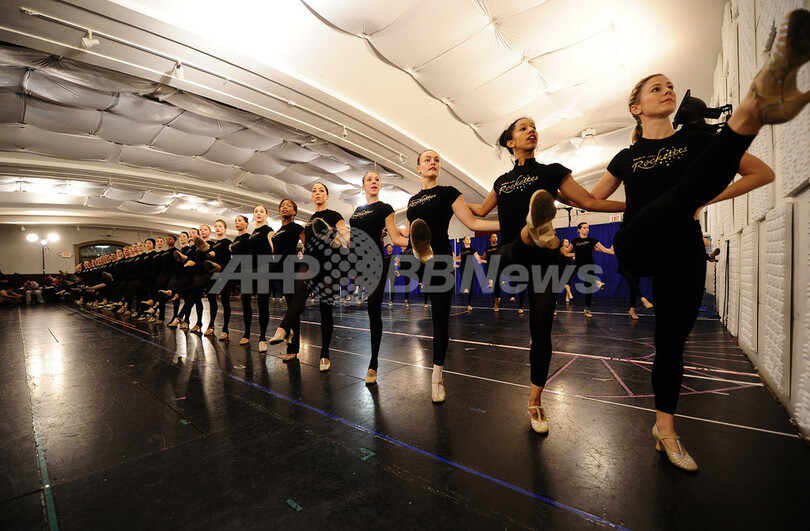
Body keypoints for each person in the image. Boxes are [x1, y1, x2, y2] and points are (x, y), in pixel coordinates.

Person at [588, 8, 809, 470]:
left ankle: (664, 428)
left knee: (672, 341)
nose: (668, 90)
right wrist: (633, 209)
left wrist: (705, 200)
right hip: (638, 241)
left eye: (670, 86)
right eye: (656, 87)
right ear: (636, 107)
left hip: (683, 247)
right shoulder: (626, 157)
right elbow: (593, 201)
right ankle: (752, 110)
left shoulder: (696, 139)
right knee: (673, 198)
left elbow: (761, 173)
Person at [468, 117, 624, 433]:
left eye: (533, 127)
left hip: (546, 263)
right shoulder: (501, 182)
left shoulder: (551, 172)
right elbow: (480, 212)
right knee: (509, 250)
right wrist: (451, 203)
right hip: (514, 255)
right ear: (510, 141)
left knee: (541, 332)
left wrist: (635, 207)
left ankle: (535, 401)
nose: (531, 130)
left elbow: (590, 201)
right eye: (523, 128)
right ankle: (531, 231)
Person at [406, 150, 501, 403]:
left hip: (441, 259)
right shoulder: (412, 201)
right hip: (416, 254)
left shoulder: (448, 192)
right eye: (427, 159)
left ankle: (437, 376)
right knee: (407, 256)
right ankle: (418, 254)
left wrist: (511, 225)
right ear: (418, 168)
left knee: (440, 320)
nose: (433, 162)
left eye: (437, 160)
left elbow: (474, 223)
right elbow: (405, 233)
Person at [269, 183, 350, 372]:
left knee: (326, 311)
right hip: (311, 264)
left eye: (321, 190)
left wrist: (346, 239)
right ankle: (283, 329)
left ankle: (324, 355)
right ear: (312, 197)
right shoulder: (310, 221)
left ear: (327, 196)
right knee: (298, 296)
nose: (317, 193)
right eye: (314, 191)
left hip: (330, 267)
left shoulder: (334, 215)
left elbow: (344, 232)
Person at [348, 171, 409, 384]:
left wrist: (417, 243)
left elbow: (394, 236)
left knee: (374, 310)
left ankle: (373, 364)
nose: (373, 182)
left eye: (377, 180)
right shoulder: (355, 212)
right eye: (369, 180)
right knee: (367, 308)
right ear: (363, 186)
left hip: (377, 263)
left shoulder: (385, 208)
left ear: (380, 186)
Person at [268, 199, 305, 362]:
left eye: (289, 206)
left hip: (290, 268)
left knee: (293, 308)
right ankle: (288, 332)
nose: (285, 207)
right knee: (290, 307)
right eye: (282, 205)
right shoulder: (278, 230)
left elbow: (308, 243)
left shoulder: (296, 227)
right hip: (279, 269)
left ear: (294, 212)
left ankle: (293, 348)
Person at [568, 222, 614, 318]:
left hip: (590, 265)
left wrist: (616, 252)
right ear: (579, 230)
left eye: (588, 227)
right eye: (584, 228)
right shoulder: (574, 241)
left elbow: (605, 249)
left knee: (588, 288)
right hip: (578, 264)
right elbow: (567, 251)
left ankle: (587, 309)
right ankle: (597, 282)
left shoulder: (593, 240)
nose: (587, 229)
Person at [248, 205, 275, 352]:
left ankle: (262, 338)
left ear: (266, 215)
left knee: (262, 303)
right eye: (256, 212)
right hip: (252, 271)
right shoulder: (253, 232)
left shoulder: (268, 230)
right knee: (256, 303)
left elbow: (274, 247)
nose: (258, 214)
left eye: (261, 212)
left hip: (264, 270)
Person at [229, 215, 252, 344]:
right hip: (236, 270)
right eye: (236, 221)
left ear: (246, 224)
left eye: (240, 221)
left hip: (246, 271)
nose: (237, 223)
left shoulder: (248, 238)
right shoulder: (236, 239)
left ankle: (247, 334)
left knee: (246, 302)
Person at [455, 236, 482, 311]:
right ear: (463, 241)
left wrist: (481, 260)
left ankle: (469, 304)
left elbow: (478, 258)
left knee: (471, 287)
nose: (468, 240)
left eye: (469, 239)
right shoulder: (462, 250)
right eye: (467, 239)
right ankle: (465, 287)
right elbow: (459, 259)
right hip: (463, 268)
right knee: (464, 276)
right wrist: (453, 256)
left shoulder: (473, 250)